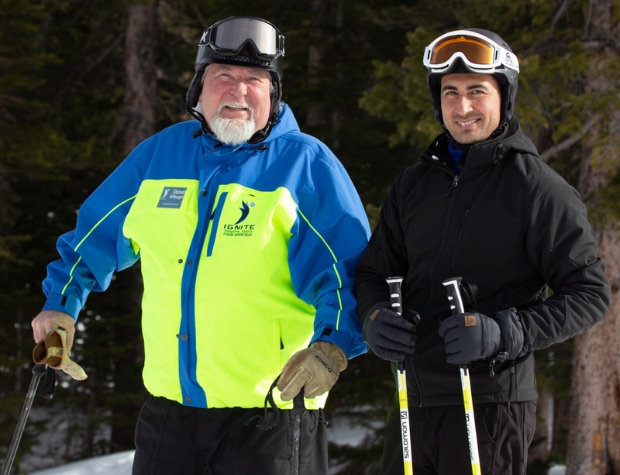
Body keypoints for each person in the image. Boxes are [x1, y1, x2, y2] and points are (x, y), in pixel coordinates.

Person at [31, 16, 370, 475]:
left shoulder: (305, 166)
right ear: (198, 88)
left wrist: (334, 348)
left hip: (269, 421)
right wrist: (61, 306)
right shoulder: (160, 155)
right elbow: (94, 237)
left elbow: (350, 274)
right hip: (169, 422)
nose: (239, 91)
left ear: (273, 94)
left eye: (254, 80)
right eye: (223, 76)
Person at [355, 28, 610, 475]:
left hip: (491, 404)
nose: (462, 107)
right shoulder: (414, 185)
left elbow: (589, 294)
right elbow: (374, 273)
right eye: (450, 93)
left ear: (503, 96)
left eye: (477, 91)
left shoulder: (535, 188)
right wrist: (374, 317)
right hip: (412, 398)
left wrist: (506, 333)